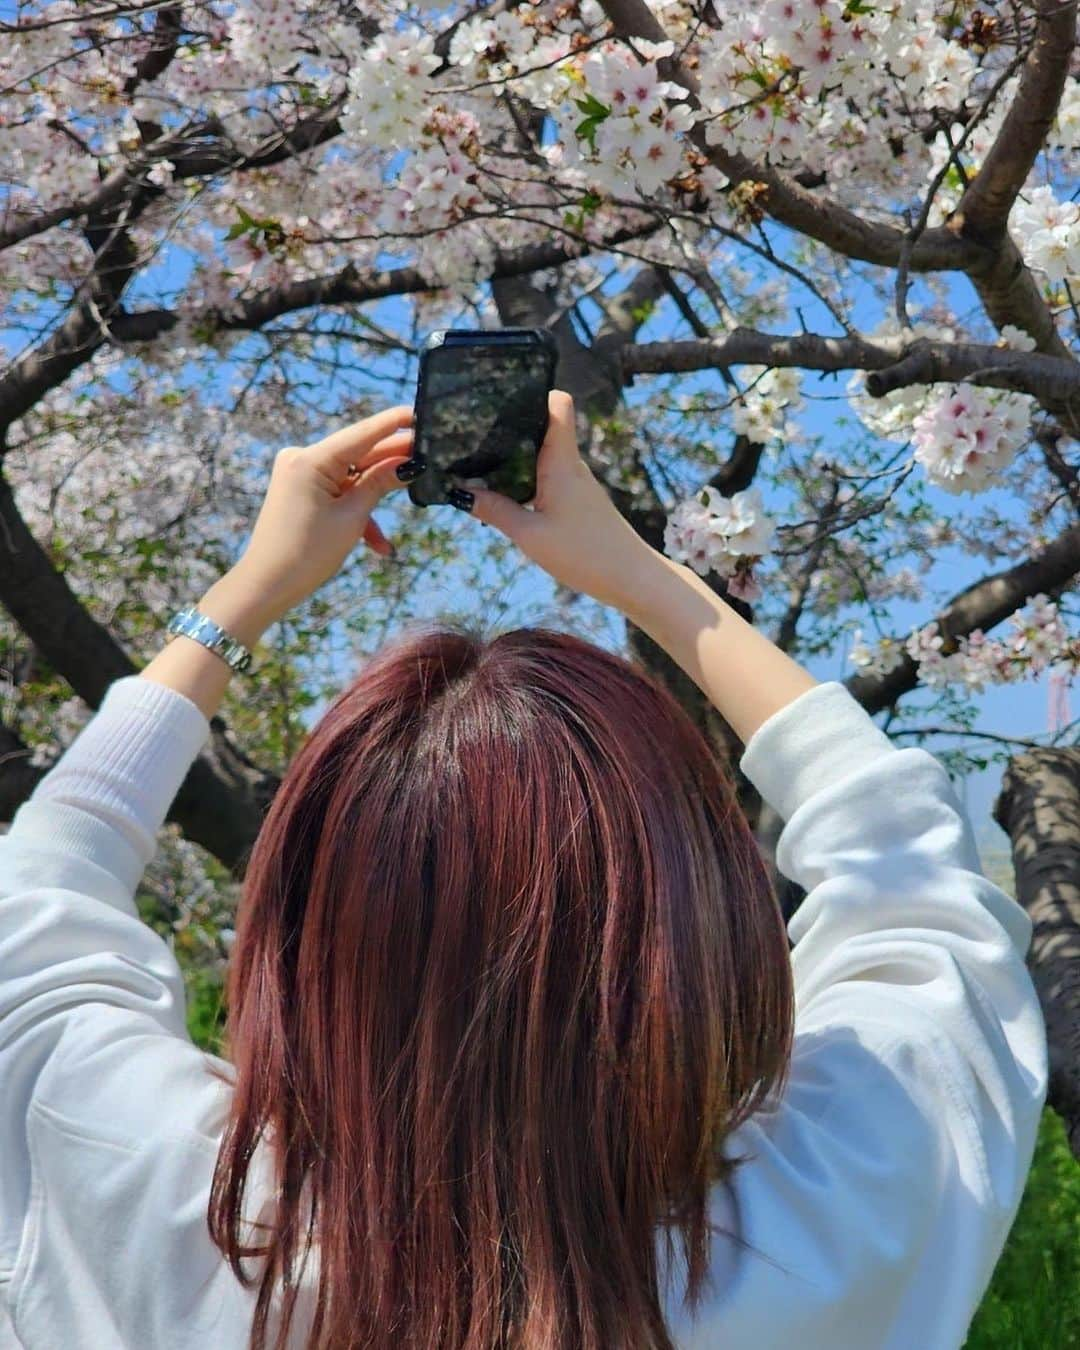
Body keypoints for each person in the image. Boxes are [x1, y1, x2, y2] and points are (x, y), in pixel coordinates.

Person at [0, 392, 1047, 1350]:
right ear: (700, 931)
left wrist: (245, 594)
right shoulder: (837, 1209)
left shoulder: (155, 1196)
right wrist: (638, 574)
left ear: (297, 931)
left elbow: (45, 876)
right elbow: (914, 875)